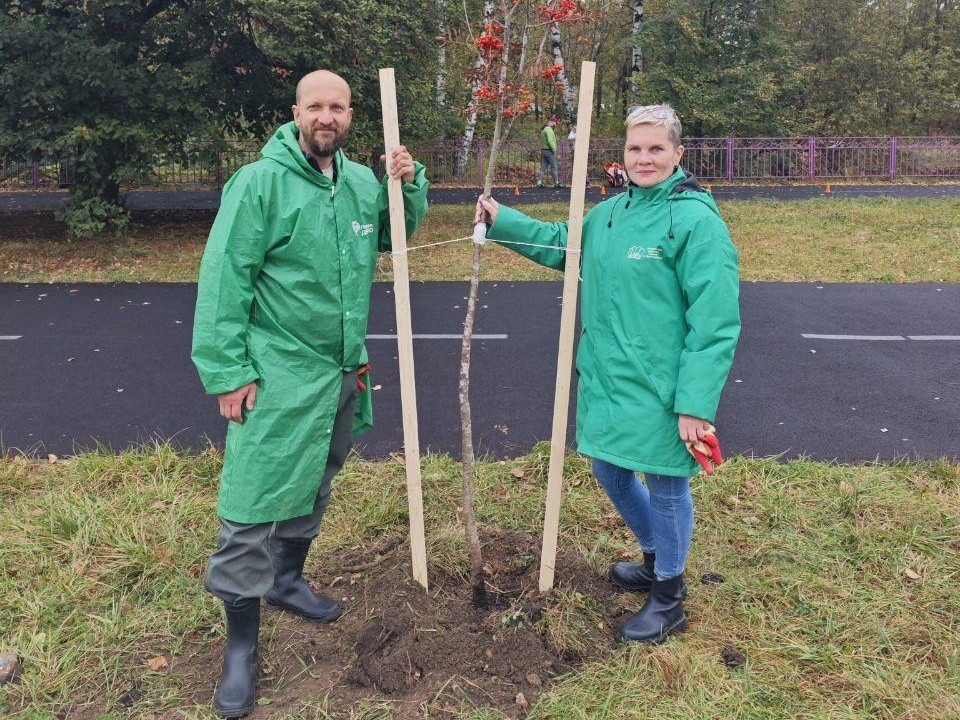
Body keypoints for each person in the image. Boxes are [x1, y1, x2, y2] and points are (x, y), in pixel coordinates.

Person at [191, 69, 429, 717]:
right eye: (315, 106)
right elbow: (223, 280)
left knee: (318, 478)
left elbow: (394, 233)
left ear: (352, 115)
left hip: (343, 373)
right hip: (277, 376)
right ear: (296, 111)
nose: (327, 116)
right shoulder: (260, 184)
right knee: (251, 502)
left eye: (338, 107)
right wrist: (227, 370)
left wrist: (409, 184)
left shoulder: (357, 181)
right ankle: (241, 647)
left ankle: (287, 579)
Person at [476, 104, 740, 644]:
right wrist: (501, 219)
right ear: (623, 155)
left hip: (664, 388)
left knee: (666, 482)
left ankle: (669, 595)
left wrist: (695, 402)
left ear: (677, 154)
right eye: (635, 149)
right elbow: (561, 245)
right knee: (611, 472)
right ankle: (654, 556)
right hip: (607, 377)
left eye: (656, 148)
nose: (644, 158)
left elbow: (715, 320)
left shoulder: (694, 221)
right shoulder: (609, 213)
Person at [537, 115, 560, 188]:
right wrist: (554, 149)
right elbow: (550, 141)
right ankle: (556, 183)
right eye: (555, 123)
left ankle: (539, 182)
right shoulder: (549, 130)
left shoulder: (544, 129)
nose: (555, 124)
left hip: (544, 150)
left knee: (543, 168)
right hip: (549, 151)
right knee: (554, 167)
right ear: (553, 122)